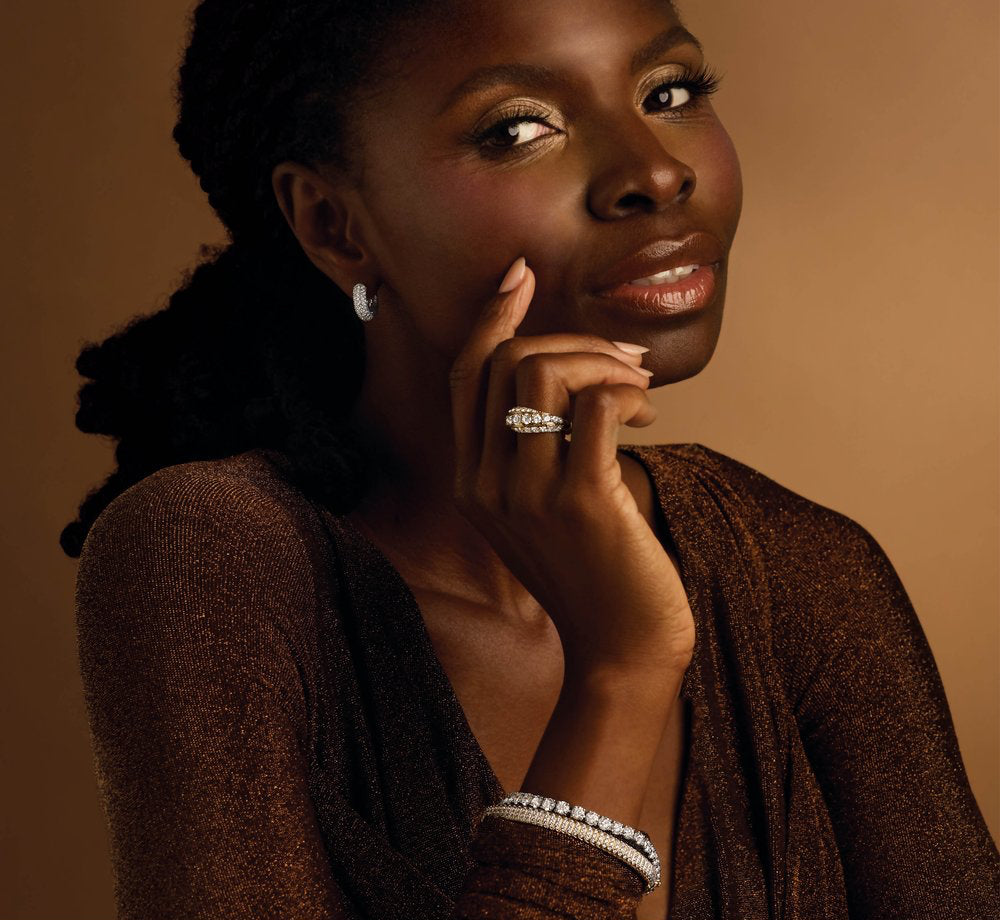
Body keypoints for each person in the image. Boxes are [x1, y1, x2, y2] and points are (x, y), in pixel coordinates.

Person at [62, 1, 1000, 918]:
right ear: (333, 225)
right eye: (518, 128)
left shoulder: (796, 567)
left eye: (671, 92)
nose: (655, 173)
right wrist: (622, 673)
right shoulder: (210, 560)